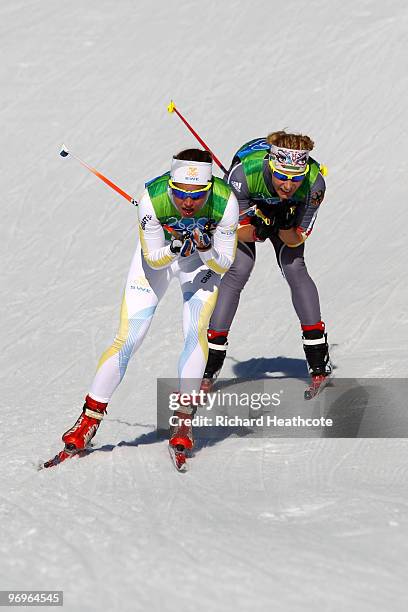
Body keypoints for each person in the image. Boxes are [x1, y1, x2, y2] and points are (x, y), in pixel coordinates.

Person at [45, 149, 239, 467]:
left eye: (197, 196)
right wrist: (176, 246)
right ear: (171, 185)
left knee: (195, 333)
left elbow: (223, 264)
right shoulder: (152, 196)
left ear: (209, 188)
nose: (187, 203)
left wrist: (204, 248)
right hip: (160, 258)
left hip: (199, 265)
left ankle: (184, 421)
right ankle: (88, 421)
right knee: (129, 338)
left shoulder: (225, 201)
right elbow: (153, 258)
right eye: (180, 194)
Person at [201, 131, 332, 393]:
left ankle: (318, 362)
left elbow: (295, 239)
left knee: (295, 267)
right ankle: (209, 365)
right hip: (248, 204)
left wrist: (282, 224)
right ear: (270, 166)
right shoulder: (242, 175)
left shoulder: (314, 184)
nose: (288, 185)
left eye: (295, 178)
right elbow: (232, 230)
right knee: (239, 267)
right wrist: (260, 228)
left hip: (286, 217)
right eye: (281, 176)